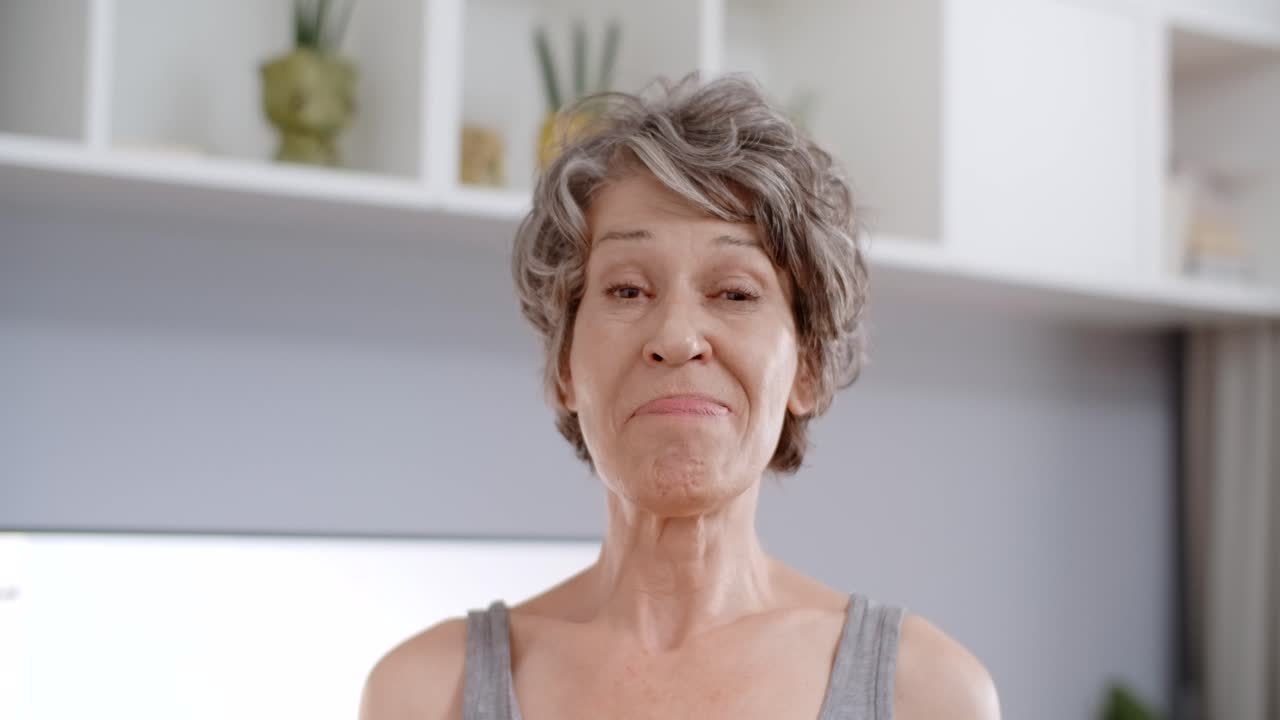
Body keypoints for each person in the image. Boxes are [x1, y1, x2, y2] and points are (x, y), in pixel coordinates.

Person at [358, 74, 1000, 720]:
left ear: (805, 368)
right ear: (564, 367)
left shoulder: (928, 693)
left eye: (735, 293)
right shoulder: (424, 692)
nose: (676, 337)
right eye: (628, 290)